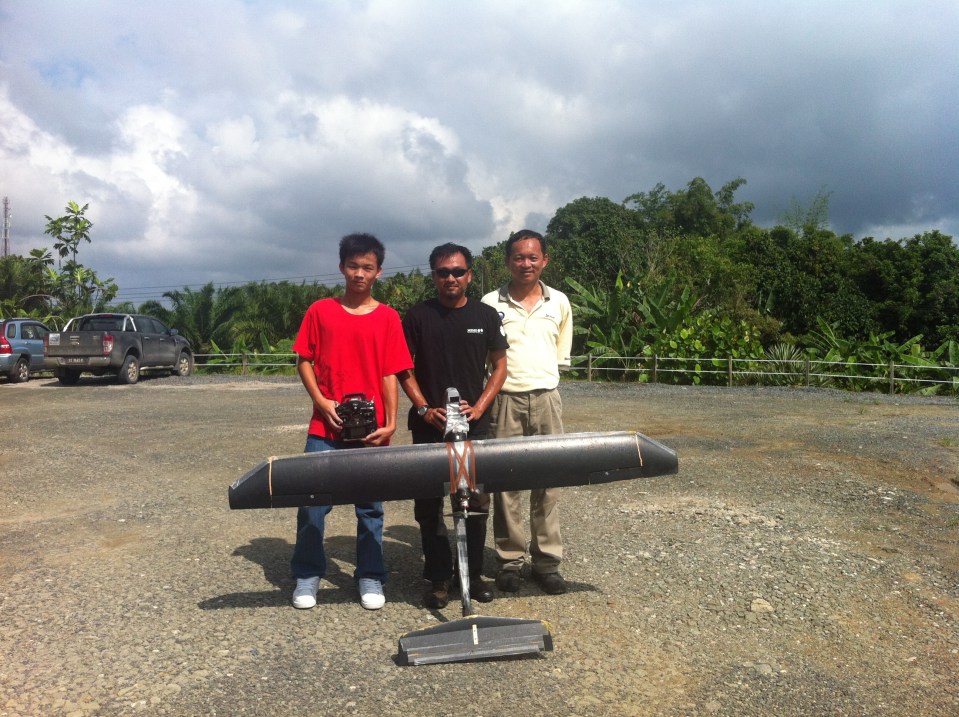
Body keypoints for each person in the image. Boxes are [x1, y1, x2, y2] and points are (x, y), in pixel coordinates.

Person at [289, 233, 413, 611]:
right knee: (312, 504)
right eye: (354, 266)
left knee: (371, 507)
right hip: (325, 427)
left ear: (378, 271)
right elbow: (304, 359)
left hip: (372, 429)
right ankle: (308, 574)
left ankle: (370, 575)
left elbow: (392, 372)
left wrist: (392, 422)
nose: (360, 273)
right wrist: (321, 401)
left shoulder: (389, 317)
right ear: (342, 267)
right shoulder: (320, 311)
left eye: (368, 267)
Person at [399, 243, 509, 609]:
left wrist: (479, 407)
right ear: (433, 276)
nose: (451, 278)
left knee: (474, 503)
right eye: (443, 272)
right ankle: (438, 578)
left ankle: (473, 574)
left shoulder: (486, 315)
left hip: (474, 427)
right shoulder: (417, 316)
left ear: (470, 276)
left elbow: (500, 367)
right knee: (429, 506)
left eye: (458, 271)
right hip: (430, 426)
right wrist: (424, 407)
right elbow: (404, 369)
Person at [481, 229, 573, 595]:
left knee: (550, 482)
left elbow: (560, 353)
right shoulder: (490, 303)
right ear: (507, 262)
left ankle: (547, 563)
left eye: (533, 257)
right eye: (518, 257)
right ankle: (510, 562)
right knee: (506, 485)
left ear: (544, 260)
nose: (526, 264)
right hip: (504, 400)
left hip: (548, 397)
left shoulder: (560, 302)